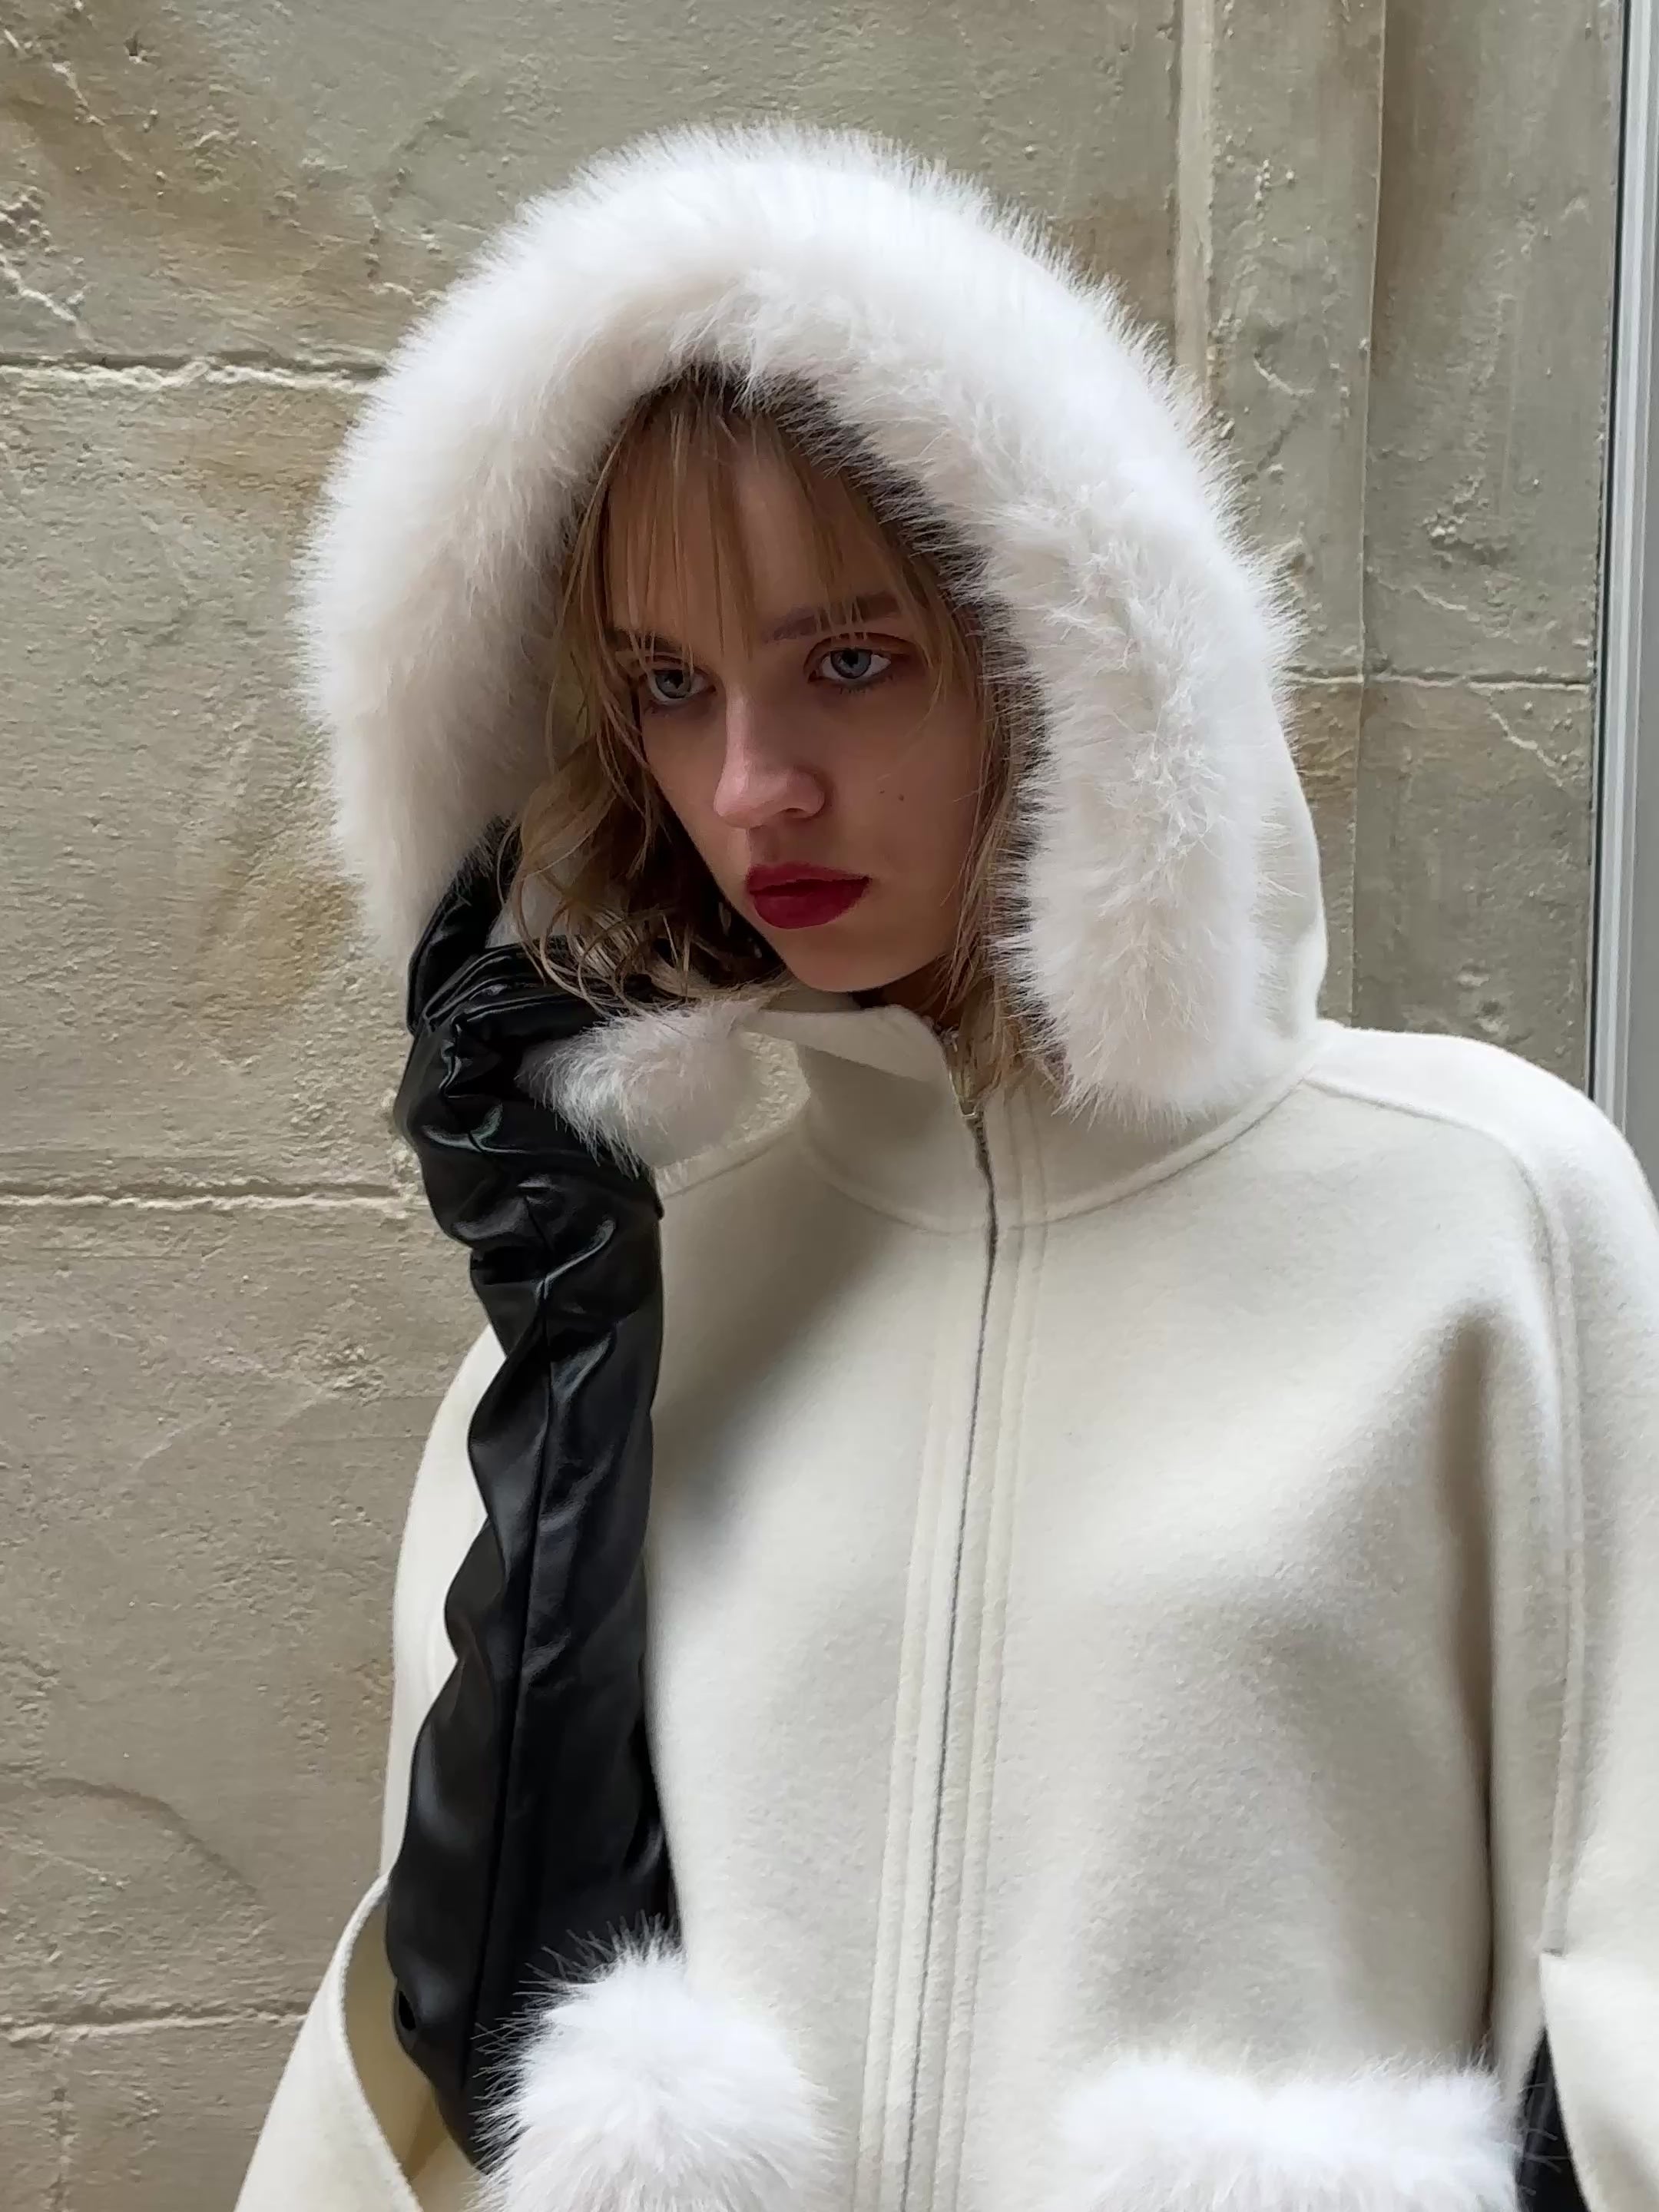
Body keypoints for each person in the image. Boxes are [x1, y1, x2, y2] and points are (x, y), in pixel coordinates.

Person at [236, 124, 1657, 2212]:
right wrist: (568, 1378)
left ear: (1064, 651)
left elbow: (1631, 2016)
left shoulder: (1486, 1217)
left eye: (852, 660)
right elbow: (466, 2070)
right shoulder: (631, 1318)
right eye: (669, 687)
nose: (753, 785)